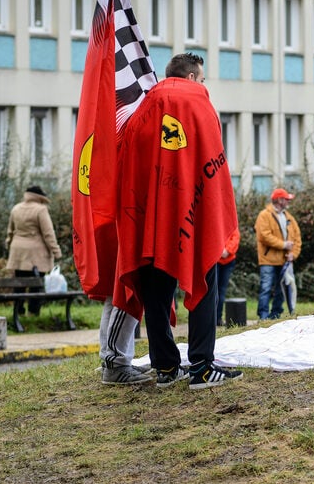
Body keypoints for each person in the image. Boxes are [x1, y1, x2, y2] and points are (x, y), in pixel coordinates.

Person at [117, 52, 243, 390]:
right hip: (189, 210)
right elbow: (211, 158)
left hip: (149, 221)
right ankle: (202, 366)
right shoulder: (195, 100)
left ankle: (166, 368)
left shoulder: (143, 107)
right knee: (204, 273)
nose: (204, 87)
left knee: (155, 291)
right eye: (202, 80)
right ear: (191, 78)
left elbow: (131, 165)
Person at [6, 185, 62, 317]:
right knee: (36, 284)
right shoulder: (41, 210)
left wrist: (9, 247)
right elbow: (48, 234)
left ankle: (18, 311)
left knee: (19, 283)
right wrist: (56, 251)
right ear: (40, 197)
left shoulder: (16, 208)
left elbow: (10, 232)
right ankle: (33, 312)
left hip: (17, 251)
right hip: (36, 253)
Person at [254, 187, 302, 320]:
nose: (288, 201)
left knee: (281, 290)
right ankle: (263, 316)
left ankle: (275, 315)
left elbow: (297, 238)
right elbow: (264, 235)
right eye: (286, 199)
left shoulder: (289, 217)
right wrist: (283, 245)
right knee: (266, 288)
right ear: (279, 200)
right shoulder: (264, 215)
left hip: (284, 261)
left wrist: (294, 254)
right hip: (268, 260)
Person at [216, 228, 240, 326]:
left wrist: (227, 250)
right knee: (213, 290)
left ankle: (218, 318)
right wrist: (220, 250)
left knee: (221, 291)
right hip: (215, 259)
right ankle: (211, 318)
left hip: (228, 260)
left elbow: (235, 237)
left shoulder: (231, 220)